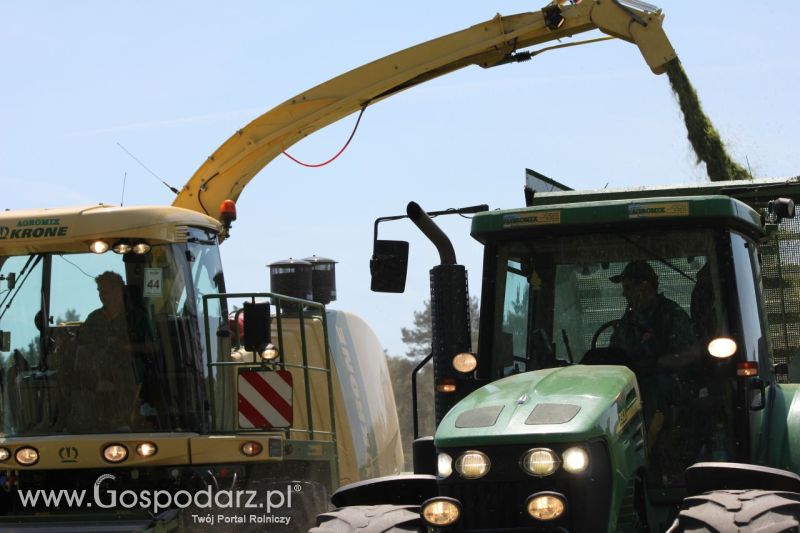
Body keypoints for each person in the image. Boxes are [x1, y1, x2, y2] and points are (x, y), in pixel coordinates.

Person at [609, 260, 700, 483]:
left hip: (669, 389)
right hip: (630, 387)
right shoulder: (628, 321)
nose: (625, 295)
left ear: (646, 286)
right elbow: (614, 353)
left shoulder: (670, 314)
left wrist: (656, 363)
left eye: (629, 288)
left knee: (654, 392)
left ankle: (650, 465)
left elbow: (692, 353)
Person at [71, 271, 152, 430]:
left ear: (118, 290)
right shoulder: (94, 318)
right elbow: (80, 343)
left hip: (131, 367)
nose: (101, 295)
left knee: (124, 369)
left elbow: (152, 347)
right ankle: (75, 420)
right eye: (100, 291)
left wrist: (125, 347)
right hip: (97, 367)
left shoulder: (136, 317)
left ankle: (123, 420)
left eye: (105, 290)